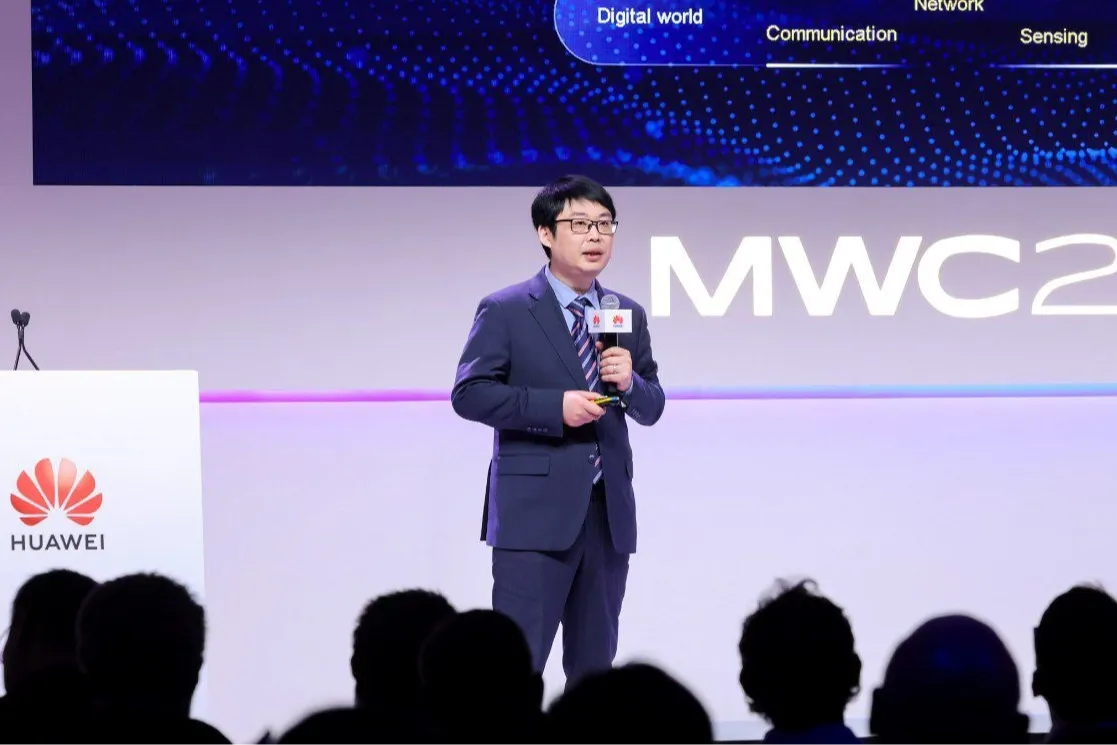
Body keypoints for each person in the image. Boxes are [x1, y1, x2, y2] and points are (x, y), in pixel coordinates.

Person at [451, 174, 666, 687]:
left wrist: (629, 382)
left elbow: (652, 404)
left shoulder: (625, 313)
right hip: (534, 520)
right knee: (514, 672)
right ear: (546, 234)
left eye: (605, 224)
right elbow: (470, 393)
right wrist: (555, 408)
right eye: (580, 224)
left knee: (595, 675)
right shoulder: (506, 309)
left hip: (607, 518)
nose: (595, 236)